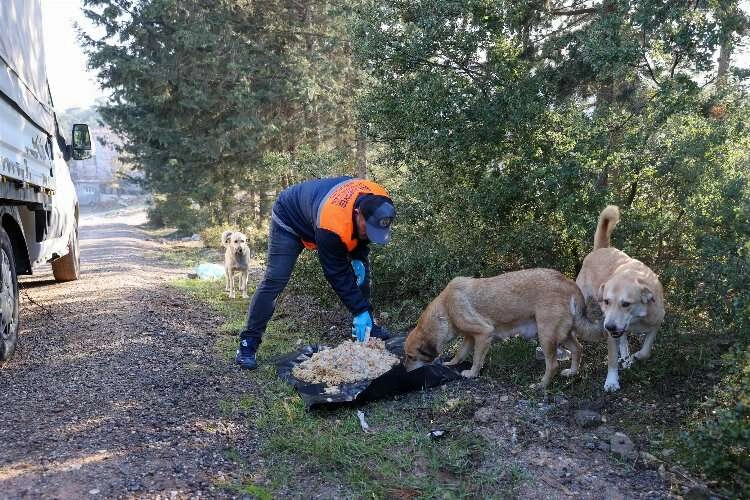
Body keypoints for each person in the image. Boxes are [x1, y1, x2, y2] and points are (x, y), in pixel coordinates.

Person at [235, 176, 396, 369]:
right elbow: (336, 273)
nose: (370, 235)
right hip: (290, 218)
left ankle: (368, 328)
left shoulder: (381, 200)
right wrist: (359, 309)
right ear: (357, 213)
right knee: (275, 279)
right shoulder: (333, 224)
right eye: (367, 229)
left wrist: (359, 260)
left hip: (320, 213)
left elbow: (362, 240)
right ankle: (248, 344)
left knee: (360, 273)